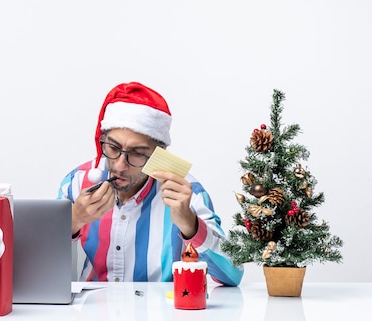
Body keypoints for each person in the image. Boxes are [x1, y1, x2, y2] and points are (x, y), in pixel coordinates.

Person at [57, 82, 243, 285]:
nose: (120, 165)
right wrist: (73, 221)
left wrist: (190, 224)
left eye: (137, 153)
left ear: (159, 152)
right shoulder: (77, 182)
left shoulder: (187, 193)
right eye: (113, 147)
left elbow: (234, 274)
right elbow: (36, 264)